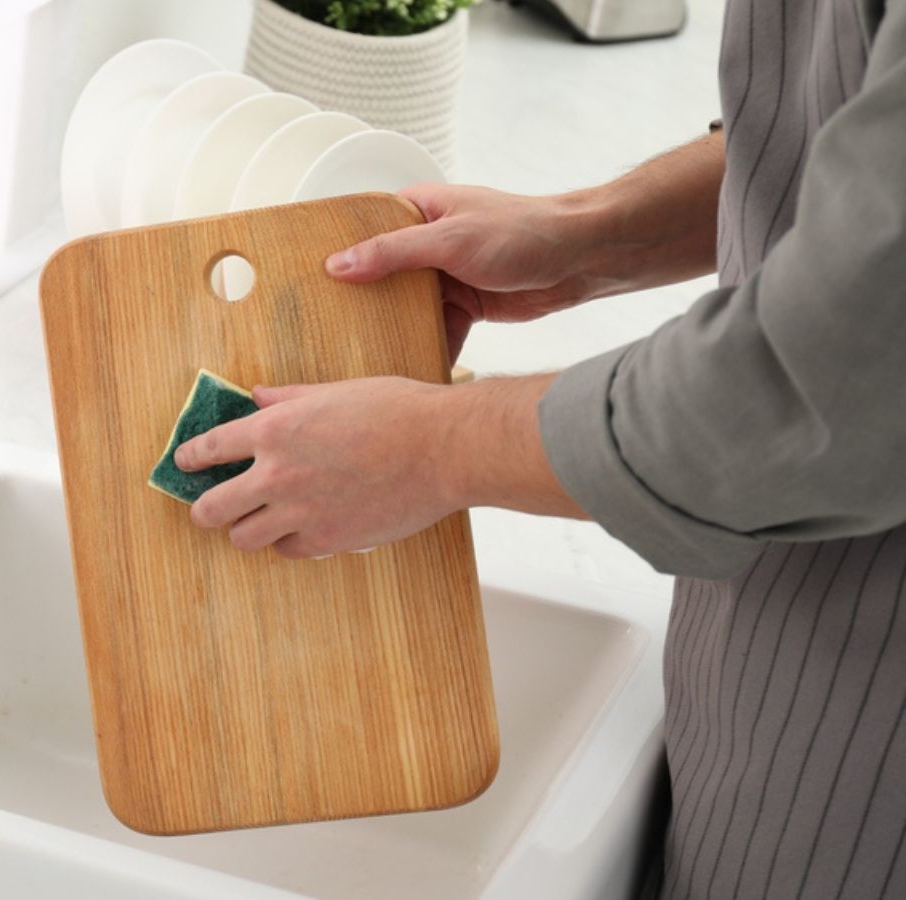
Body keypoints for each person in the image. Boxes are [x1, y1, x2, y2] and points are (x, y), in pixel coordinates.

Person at [172, 1, 906, 897]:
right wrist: (588, 231)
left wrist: (429, 449)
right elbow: (842, 144)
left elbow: (821, 385)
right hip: (775, 670)